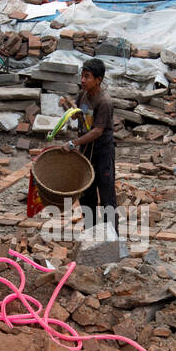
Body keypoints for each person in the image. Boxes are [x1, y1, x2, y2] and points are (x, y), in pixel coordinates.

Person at [62, 58, 117, 233]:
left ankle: (111, 236)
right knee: (87, 193)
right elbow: (77, 116)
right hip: (86, 152)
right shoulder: (83, 95)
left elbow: (97, 131)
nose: (83, 80)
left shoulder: (104, 102)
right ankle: (91, 231)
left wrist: (73, 143)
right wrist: (67, 108)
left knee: (106, 194)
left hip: (102, 153)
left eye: (87, 77)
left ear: (98, 79)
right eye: (82, 76)